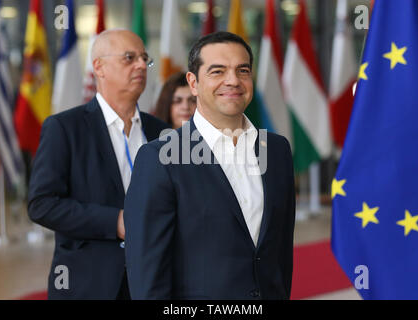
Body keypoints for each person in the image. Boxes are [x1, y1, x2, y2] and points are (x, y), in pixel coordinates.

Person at [124, 31, 296, 300]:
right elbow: (148, 272)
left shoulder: (275, 150)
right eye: (218, 71)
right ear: (193, 82)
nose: (233, 81)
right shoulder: (159, 158)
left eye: (243, 70)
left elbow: (281, 252)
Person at [28, 29, 170, 300]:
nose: (141, 65)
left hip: (153, 281)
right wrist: (115, 221)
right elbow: (41, 204)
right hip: (88, 283)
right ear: (99, 67)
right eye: (129, 58)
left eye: (144, 58)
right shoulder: (65, 128)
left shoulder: (162, 133)